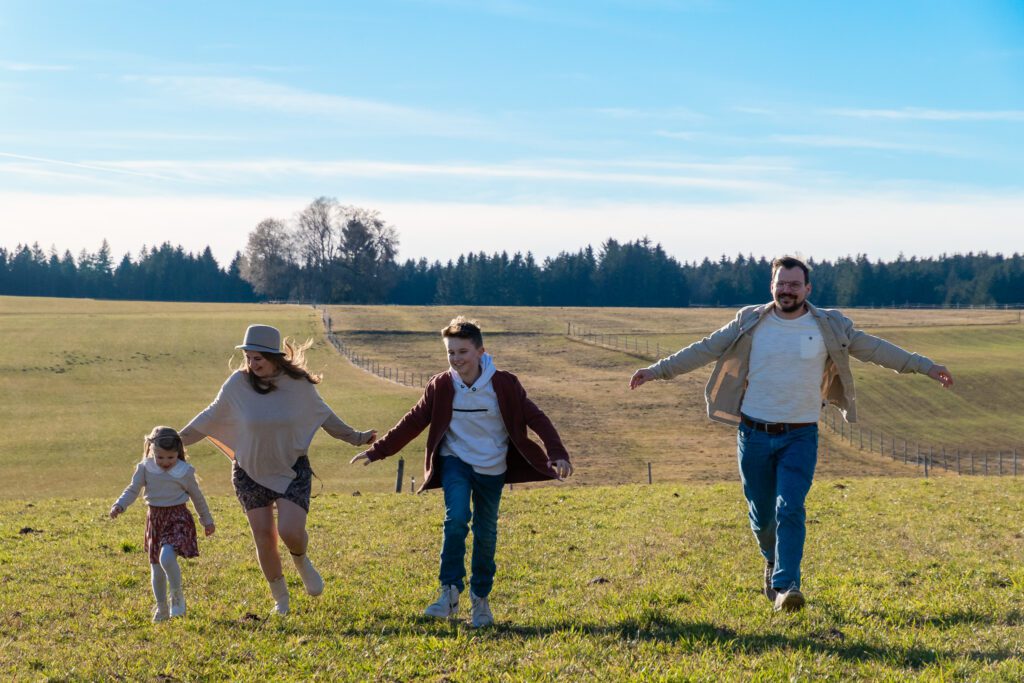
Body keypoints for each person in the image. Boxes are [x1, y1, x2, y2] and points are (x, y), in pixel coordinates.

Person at [629, 256, 954, 612]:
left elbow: (876, 350)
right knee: (763, 515)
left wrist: (926, 366)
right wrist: (657, 371)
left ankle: (787, 586)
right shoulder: (750, 321)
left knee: (791, 508)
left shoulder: (829, 325)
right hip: (753, 433)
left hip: (800, 435)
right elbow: (706, 348)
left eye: (794, 284)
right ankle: (771, 558)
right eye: (781, 284)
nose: (787, 290)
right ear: (772, 286)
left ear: (807, 289)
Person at [351, 316, 573, 627]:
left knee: (486, 534)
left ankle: (480, 600)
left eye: (463, 352)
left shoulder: (504, 385)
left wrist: (557, 453)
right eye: (451, 353)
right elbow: (414, 420)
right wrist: (379, 451)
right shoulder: (441, 385)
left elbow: (537, 418)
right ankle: (449, 593)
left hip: (492, 466)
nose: (456, 359)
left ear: (481, 352)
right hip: (455, 460)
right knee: (455, 519)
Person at [179, 324, 376, 616]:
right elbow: (209, 417)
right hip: (249, 470)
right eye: (248, 357)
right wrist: (172, 442)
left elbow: (324, 416)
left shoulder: (298, 386)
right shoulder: (237, 384)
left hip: (291, 469)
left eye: (258, 358)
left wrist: (357, 437)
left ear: (275, 357)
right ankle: (280, 600)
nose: (251, 364)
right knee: (264, 537)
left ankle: (300, 559)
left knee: (290, 530)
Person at [110, 426, 215, 622]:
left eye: (170, 457)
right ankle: (161, 608)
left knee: (167, 557)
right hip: (155, 519)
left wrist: (206, 520)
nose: (165, 462)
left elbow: (197, 497)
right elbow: (133, 490)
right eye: (160, 457)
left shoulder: (184, 471)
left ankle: (177, 598)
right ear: (151, 450)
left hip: (177, 518)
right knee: (156, 568)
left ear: (179, 453)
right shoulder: (145, 468)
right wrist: (120, 505)